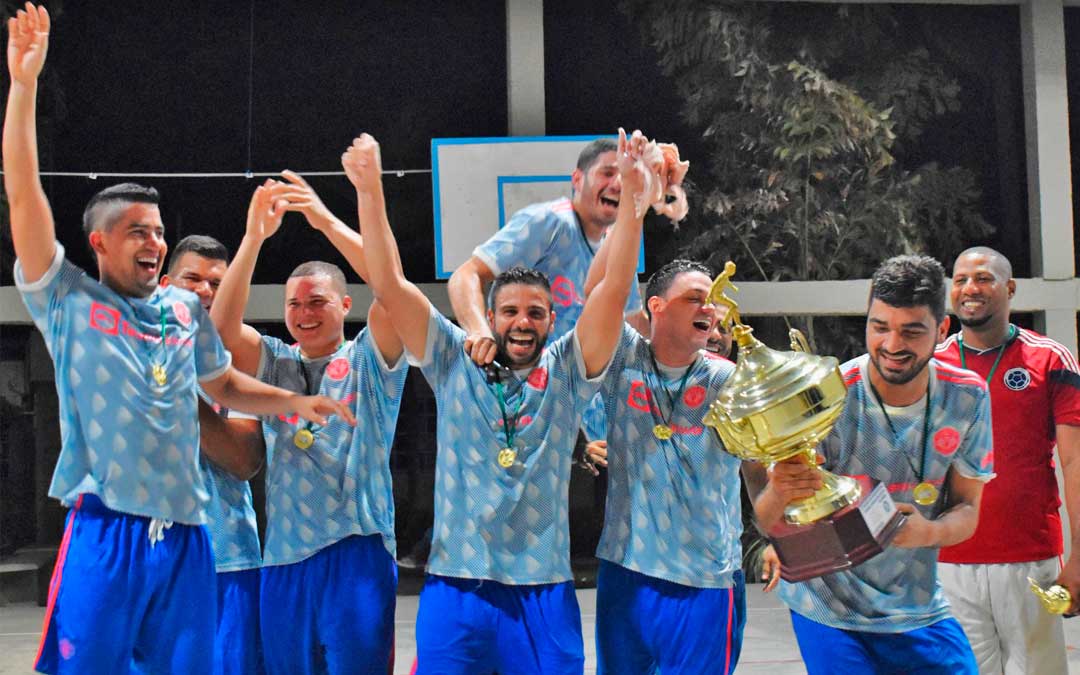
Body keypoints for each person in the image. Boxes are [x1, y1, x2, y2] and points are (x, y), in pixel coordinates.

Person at [5, 7, 352, 673]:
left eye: (159, 231)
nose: (155, 241)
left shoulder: (182, 314)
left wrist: (292, 402)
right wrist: (24, 88)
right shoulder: (69, 299)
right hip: (109, 526)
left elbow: (222, 383)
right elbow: (25, 199)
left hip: (192, 538)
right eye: (139, 230)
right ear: (99, 242)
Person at [342, 129, 648, 673]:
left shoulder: (568, 372)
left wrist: (632, 205)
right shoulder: (452, 358)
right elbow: (388, 283)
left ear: (554, 321)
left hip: (543, 592)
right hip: (456, 588)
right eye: (509, 310)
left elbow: (614, 288)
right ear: (490, 313)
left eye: (535, 311)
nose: (522, 321)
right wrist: (369, 191)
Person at [753, 255, 993, 675]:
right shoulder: (827, 397)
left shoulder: (967, 398)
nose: (892, 344)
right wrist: (780, 492)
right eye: (879, 327)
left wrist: (930, 532)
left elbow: (968, 508)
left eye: (911, 331)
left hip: (919, 607)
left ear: (941, 330)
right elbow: (770, 520)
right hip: (830, 608)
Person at [209, 172, 407, 675]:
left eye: (317, 301)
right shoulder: (275, 360)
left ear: (345, 304)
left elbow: (392, 288)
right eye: (294, 304)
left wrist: (324, 222)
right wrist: (253, 239)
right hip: (284, 559)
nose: (304, 313)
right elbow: (220, 333)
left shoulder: (369, 357)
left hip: (355, 551)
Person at [579, 258, 748, 674]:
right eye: (694, 299)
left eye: (712, 302)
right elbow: (599, 293)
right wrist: (633, 207)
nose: (708, 309)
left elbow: (760, 473)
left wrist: (783, 537)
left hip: (705, 579)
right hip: (626, 571)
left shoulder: (729, 381)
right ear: (655, 306)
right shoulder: (622, 363)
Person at [935, 246, 1080, 674]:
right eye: (960, 280)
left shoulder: (1050, 359)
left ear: (1010, 288)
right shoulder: (932, 365)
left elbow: (1073, 463)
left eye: (983, 278)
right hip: (948, 560)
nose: (969, 289)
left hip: (1028, 558)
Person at [160, 235, 266, 675]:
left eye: (217, 284)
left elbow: (245, 459)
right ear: (165, 285)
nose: (205, 291)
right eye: (193, 279)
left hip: (227, 557)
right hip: (149, 560)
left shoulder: (237, 361)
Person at [448, 137, 646, 365]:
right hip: (522, 386)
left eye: (626, 177)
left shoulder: (616, 249)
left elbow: (635, 324)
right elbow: (466, 274)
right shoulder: (550, 222)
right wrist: (479, 330)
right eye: (608, 173)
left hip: (576, 391)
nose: (619, 184)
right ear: (577, 179)